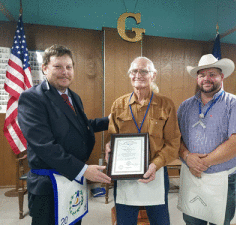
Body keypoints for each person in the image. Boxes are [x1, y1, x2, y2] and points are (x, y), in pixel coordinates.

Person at [18, 45, 111, 225]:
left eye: (69, 67)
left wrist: (111, 120)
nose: (65, 72)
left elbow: (82, 126)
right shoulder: (32, 98)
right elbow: (44, 145)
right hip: (48, 186)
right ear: (45, 68)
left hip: (72, 181)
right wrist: (83, 170)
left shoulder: (73, 97)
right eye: (58, 67)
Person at [177, 54, 236, 225]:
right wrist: (188, 157)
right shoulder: (185, 106)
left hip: (223, 179)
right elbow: (176, 138)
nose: (207, 79)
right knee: (192, 220)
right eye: (202, 75)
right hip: (192, 175)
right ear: (197, 78)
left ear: (222, 77)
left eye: (212, 74)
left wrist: (203, 163)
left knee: (220, 222)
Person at [105, 56, 181, 225]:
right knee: (125, 222)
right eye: (134, 71)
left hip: (157, 172)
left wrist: (154, 165)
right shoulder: (118, 105)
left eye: (144, 71)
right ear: (130, 75)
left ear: (153, 75)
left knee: (160, 222)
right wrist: (109, 149)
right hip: (126, 176)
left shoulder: (166, 104)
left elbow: (173, 143)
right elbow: (112, 139)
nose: (138, 75)